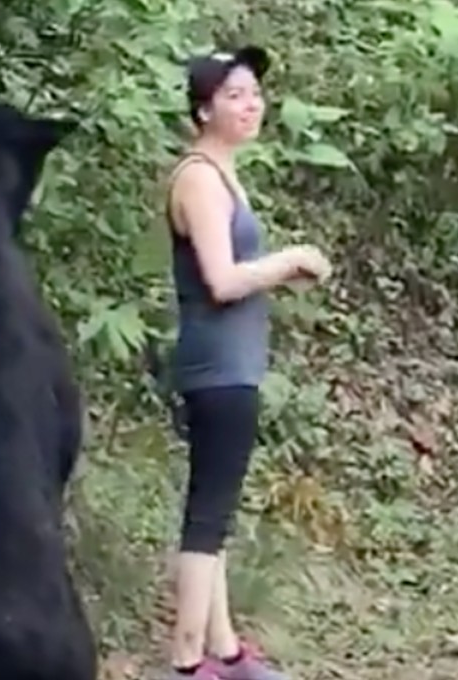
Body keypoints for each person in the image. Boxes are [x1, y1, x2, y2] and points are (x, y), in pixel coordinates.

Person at [160, 46, 332, 680]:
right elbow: (223, 279)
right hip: (217, 368)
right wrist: (289, 262)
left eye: (255, 91)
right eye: (233, 93)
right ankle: (186, 660)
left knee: (217, 511)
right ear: (204, 108)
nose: (250, 103)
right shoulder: (199, 177)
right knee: (207, 517)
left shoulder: (221, 172)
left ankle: (226, 652)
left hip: (233, 363)